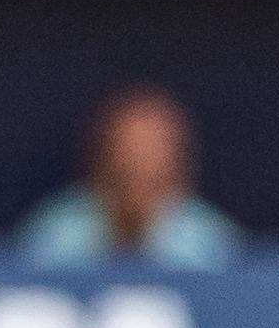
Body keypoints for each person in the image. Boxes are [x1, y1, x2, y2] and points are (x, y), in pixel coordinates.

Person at [18, 84, 239, 266]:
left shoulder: (210, 240)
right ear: (101, 166)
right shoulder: (57, 234)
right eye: (126, 174)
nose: (140, 167)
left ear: (180, 172)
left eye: (154, 171)